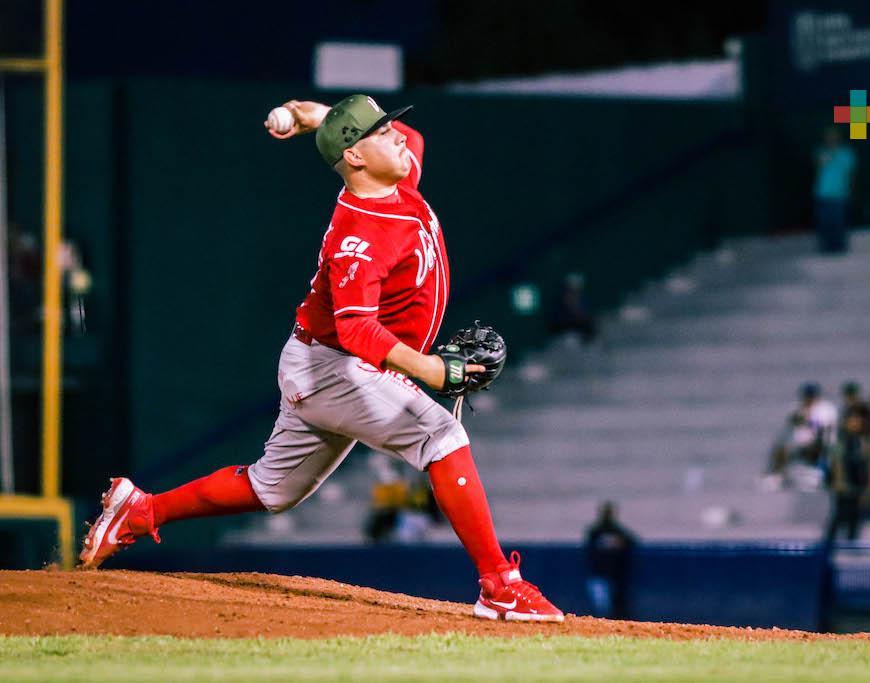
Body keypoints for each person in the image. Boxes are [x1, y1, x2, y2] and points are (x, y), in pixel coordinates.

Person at [78, 95, 564, 622]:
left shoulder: (395, 179)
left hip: (323, 362)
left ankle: (141, 509)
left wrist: (322, 118)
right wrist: (430, 371)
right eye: (382, 133)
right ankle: (499, 584)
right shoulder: (360, 235)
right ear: (355, 157)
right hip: (334, 365)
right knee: (441, 437)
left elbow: (411, 141)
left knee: (273, 488)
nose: (400, 136)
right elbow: (357, 330)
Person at [824, 405, 870, 543]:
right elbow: (837, 464)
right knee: (838, 520)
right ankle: (826, 550)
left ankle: (851, 548)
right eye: (852, 420)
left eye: (857, 420)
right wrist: (840, 485)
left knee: (855, 524)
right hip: (845, 489)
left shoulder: (866, 442)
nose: (855, 423)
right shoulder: (840, 442)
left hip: (860, 488)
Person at [584, 502, 636, 619]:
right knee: (601, 606)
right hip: (599, 574)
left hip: (616, 575)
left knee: (616, 606)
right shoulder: (596, 531)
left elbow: (632, 541)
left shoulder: (617, 531)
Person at [813, 127, 856, 254]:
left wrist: (851, 190)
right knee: (825, 221)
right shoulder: (821, 152)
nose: (831, 139)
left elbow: (851, 173)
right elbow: (818, 165)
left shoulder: (847, 153)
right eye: (829, 136)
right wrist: (830, 153)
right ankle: (825, 248)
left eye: (833, 136)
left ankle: (840, 248)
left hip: (840, 193)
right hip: (824, 193)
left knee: (839, 221)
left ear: (838, 137)